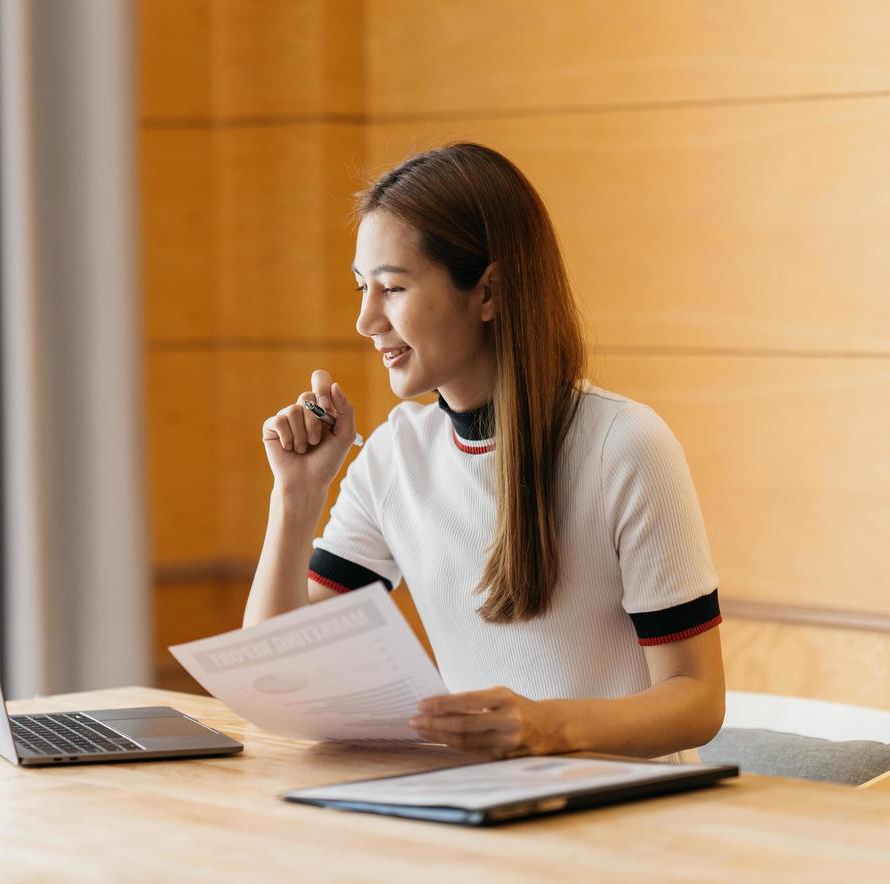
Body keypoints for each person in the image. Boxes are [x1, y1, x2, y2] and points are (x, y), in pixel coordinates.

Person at [244, 143, 724, 762]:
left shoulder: (624, 446)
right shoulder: (396, 456)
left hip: (622, 815)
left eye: (391, 288)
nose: (365, 320)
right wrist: (296, 495)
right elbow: (277, 677)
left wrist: (547, 729)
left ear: (489, 292)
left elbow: (697, 698)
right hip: (481, 807)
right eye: (362, 287)